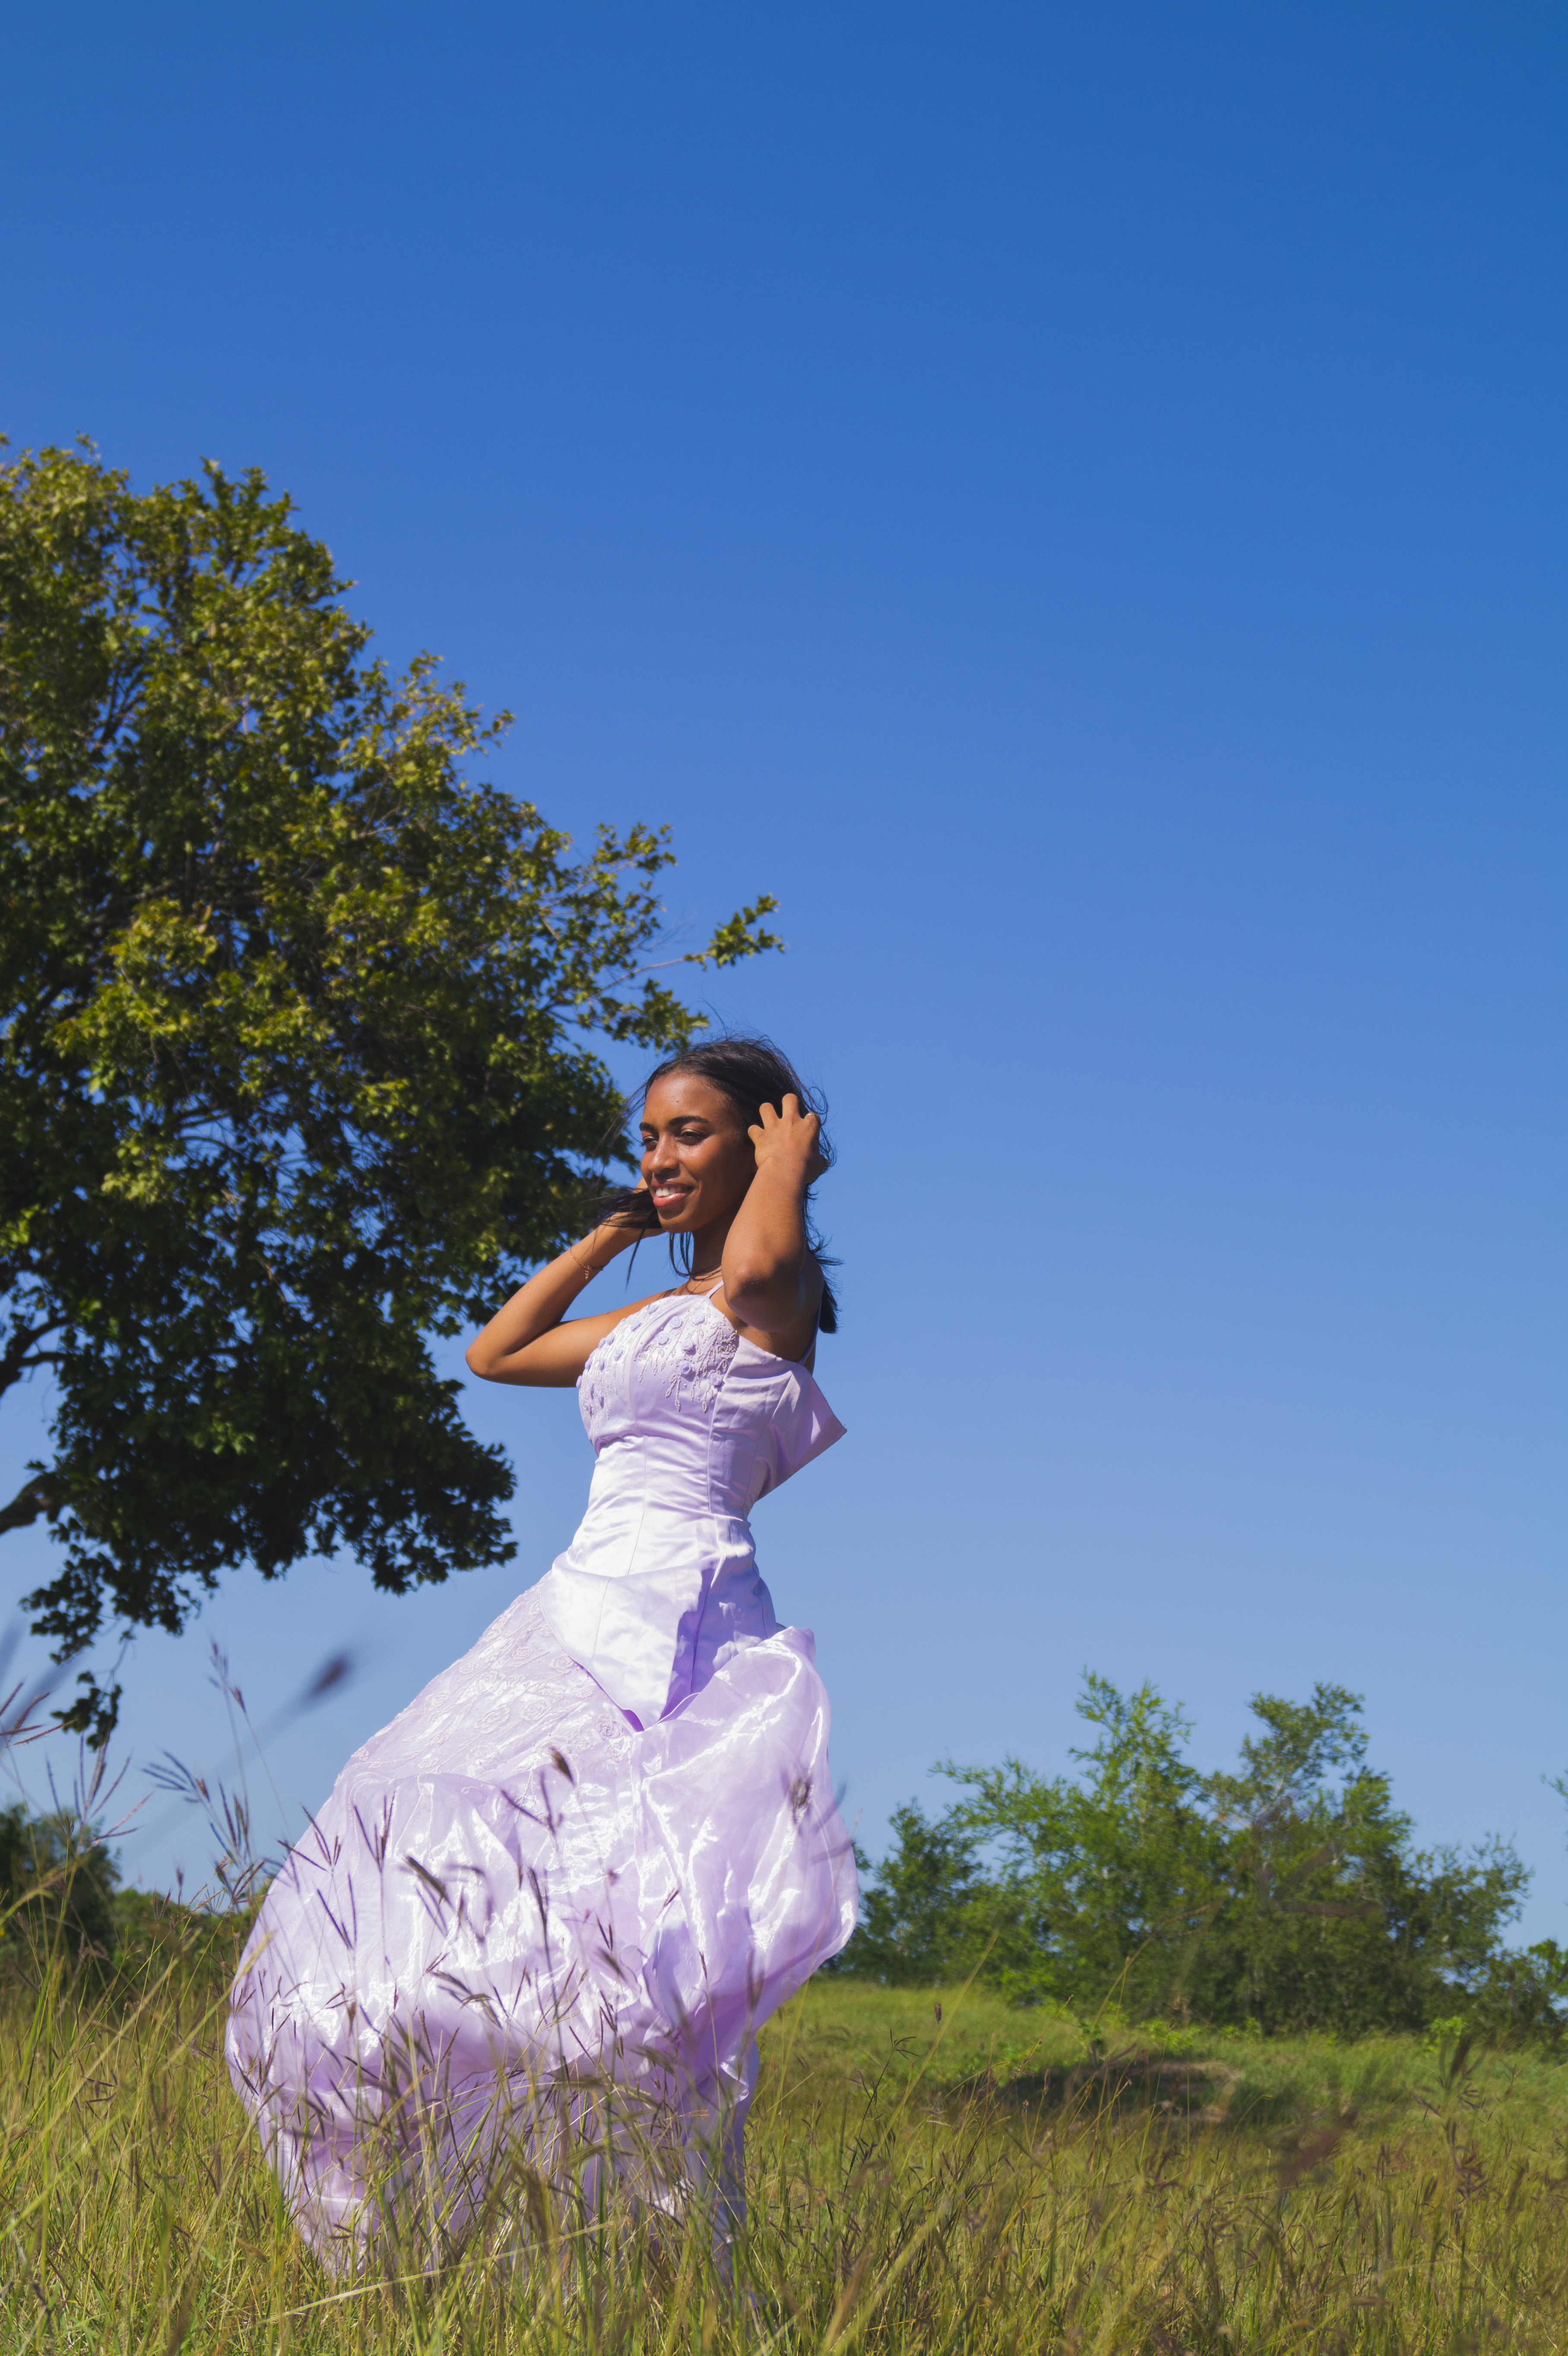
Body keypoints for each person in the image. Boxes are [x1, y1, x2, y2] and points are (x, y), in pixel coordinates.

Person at [225, 1036, 857, 2274]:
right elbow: (498, 1351)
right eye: (649, 1136)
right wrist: (615, 1235)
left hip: (679, 1611)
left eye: (688, 1134)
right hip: (573, 1603)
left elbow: (771, 1252)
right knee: (430, 1841)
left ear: (758, 1141)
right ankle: (456, 2136)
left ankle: (631, 2201)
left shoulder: (765, 1296)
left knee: (616, 1907)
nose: (659, 1155)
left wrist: (787, 1164)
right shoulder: (667, 1305)